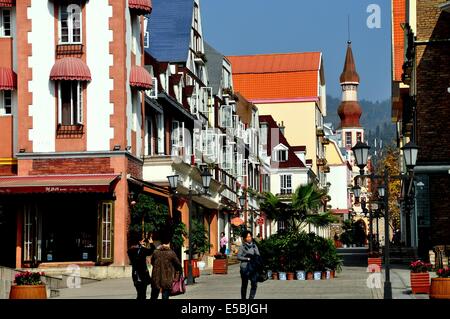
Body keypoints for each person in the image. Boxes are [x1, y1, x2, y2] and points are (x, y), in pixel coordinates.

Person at [150, 234, 182, 300]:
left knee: (153, 297)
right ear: (169, 242)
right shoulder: (171, 253)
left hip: (156, 278)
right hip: (167, 279)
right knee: (165, 297)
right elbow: (178, 265)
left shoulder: (155, 252)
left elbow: (152, 262)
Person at [127, 232, 156, 300]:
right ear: (139, 241)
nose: (144, 242)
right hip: (143, 275)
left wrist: (141, 246)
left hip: (135, 274)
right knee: (143, 294)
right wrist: (151, 243)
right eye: (143, 240)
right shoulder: (142, 250)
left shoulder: (130, 251)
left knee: (139, 293)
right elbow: (152, 250)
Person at [237, 230, 261, 299]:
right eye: (247, 237)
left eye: (250, 236)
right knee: (244, 285)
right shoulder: (242, 247)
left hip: (253, 268)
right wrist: (246, 259)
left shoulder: (254, 246)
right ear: (245, 238)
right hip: (245, 268)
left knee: (254, 284)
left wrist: (256, 256)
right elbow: (238, 257)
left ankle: (251, 298)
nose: (249, 238)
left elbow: (258, 255)